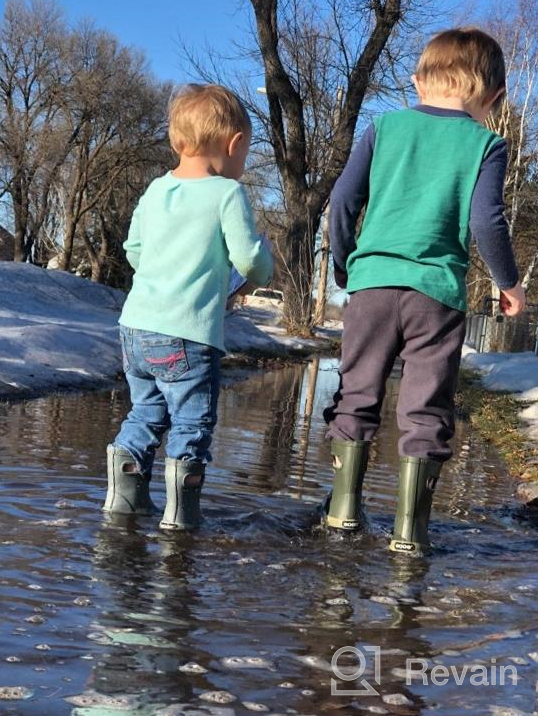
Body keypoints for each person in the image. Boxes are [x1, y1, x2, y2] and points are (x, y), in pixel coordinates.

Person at [323, 28, 525, 554]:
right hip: (436, 294)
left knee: (357, 392)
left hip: (371, 287)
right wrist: (509, 282)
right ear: (495, 98)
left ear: (416, 82)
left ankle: (343, 513)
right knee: (426, 405)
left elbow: (343, 202)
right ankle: (409, 532)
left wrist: (347, 266)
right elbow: (487, 221)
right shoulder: (487, 143)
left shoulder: (383, 127)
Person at [104, 84, 273, 530]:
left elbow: (134, 249)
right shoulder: (226, 194)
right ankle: (180, 518)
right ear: (235, 144)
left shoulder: (156, 189)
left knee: (145, 413)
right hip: (187, 335)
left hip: (135, 329)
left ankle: (122, 503)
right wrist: (262, 270)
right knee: (192, 421)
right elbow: (248, 259)